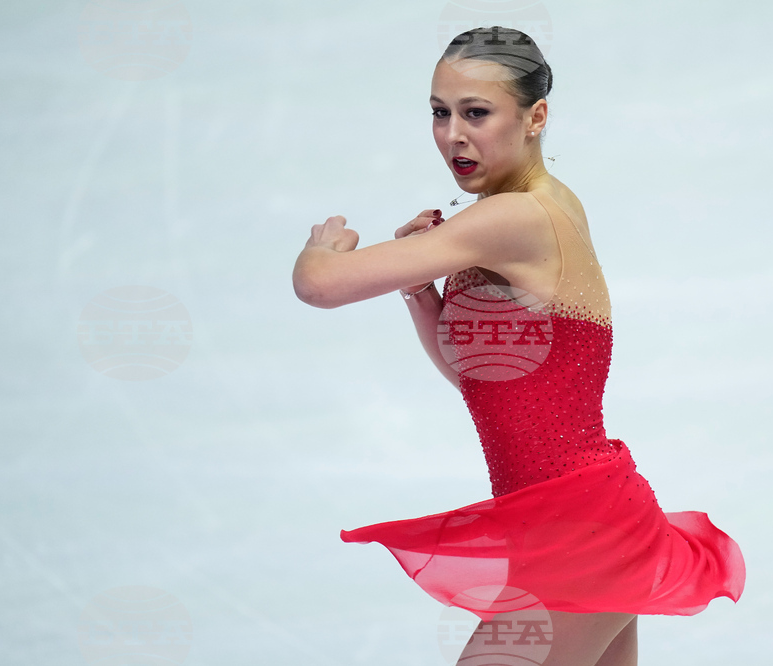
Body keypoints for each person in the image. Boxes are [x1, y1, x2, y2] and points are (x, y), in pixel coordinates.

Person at [293, 26, 745, 666]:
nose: (454, 134)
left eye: (477, 113)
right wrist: (422, 293)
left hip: (579, 535)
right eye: (439, 112)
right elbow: (484, 380)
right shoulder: (533, 209)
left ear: (534, 118)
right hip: (581, 524)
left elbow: (320, 286)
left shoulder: (516, 218)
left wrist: (322, 250)